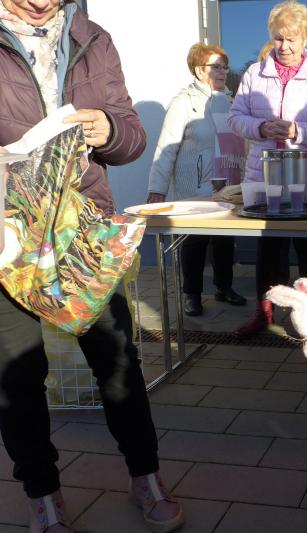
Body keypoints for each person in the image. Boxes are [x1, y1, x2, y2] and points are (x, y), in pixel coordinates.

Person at [0, 1, 183, 532]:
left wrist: (110, 130)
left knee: (117, 357)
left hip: (83, 230)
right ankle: (43, 497)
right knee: (16, 373)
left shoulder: (92, 36)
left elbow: (132, 136)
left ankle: (146, 476)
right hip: (8, 236)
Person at [229, 0, 307, 336]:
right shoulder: (254, 74)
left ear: (305, 38)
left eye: (292, 39)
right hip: (265, 175)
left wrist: (299, 131)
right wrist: (261, 128)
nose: (284, 46)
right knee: (269, 248)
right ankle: (265, 315)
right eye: (279, 38)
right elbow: (235, 119)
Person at [147, 42, 246, 317]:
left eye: (225, 67)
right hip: (195, 187)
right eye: (217, 67)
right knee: (194, 241)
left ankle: (224, 287)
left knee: (225, 240)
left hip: (226, 186)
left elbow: (238, 145)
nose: (223, 72)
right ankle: (192, 294)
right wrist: (157, 189)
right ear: (199, 70)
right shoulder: (183, 103)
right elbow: (166, 148)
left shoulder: (230, 103)